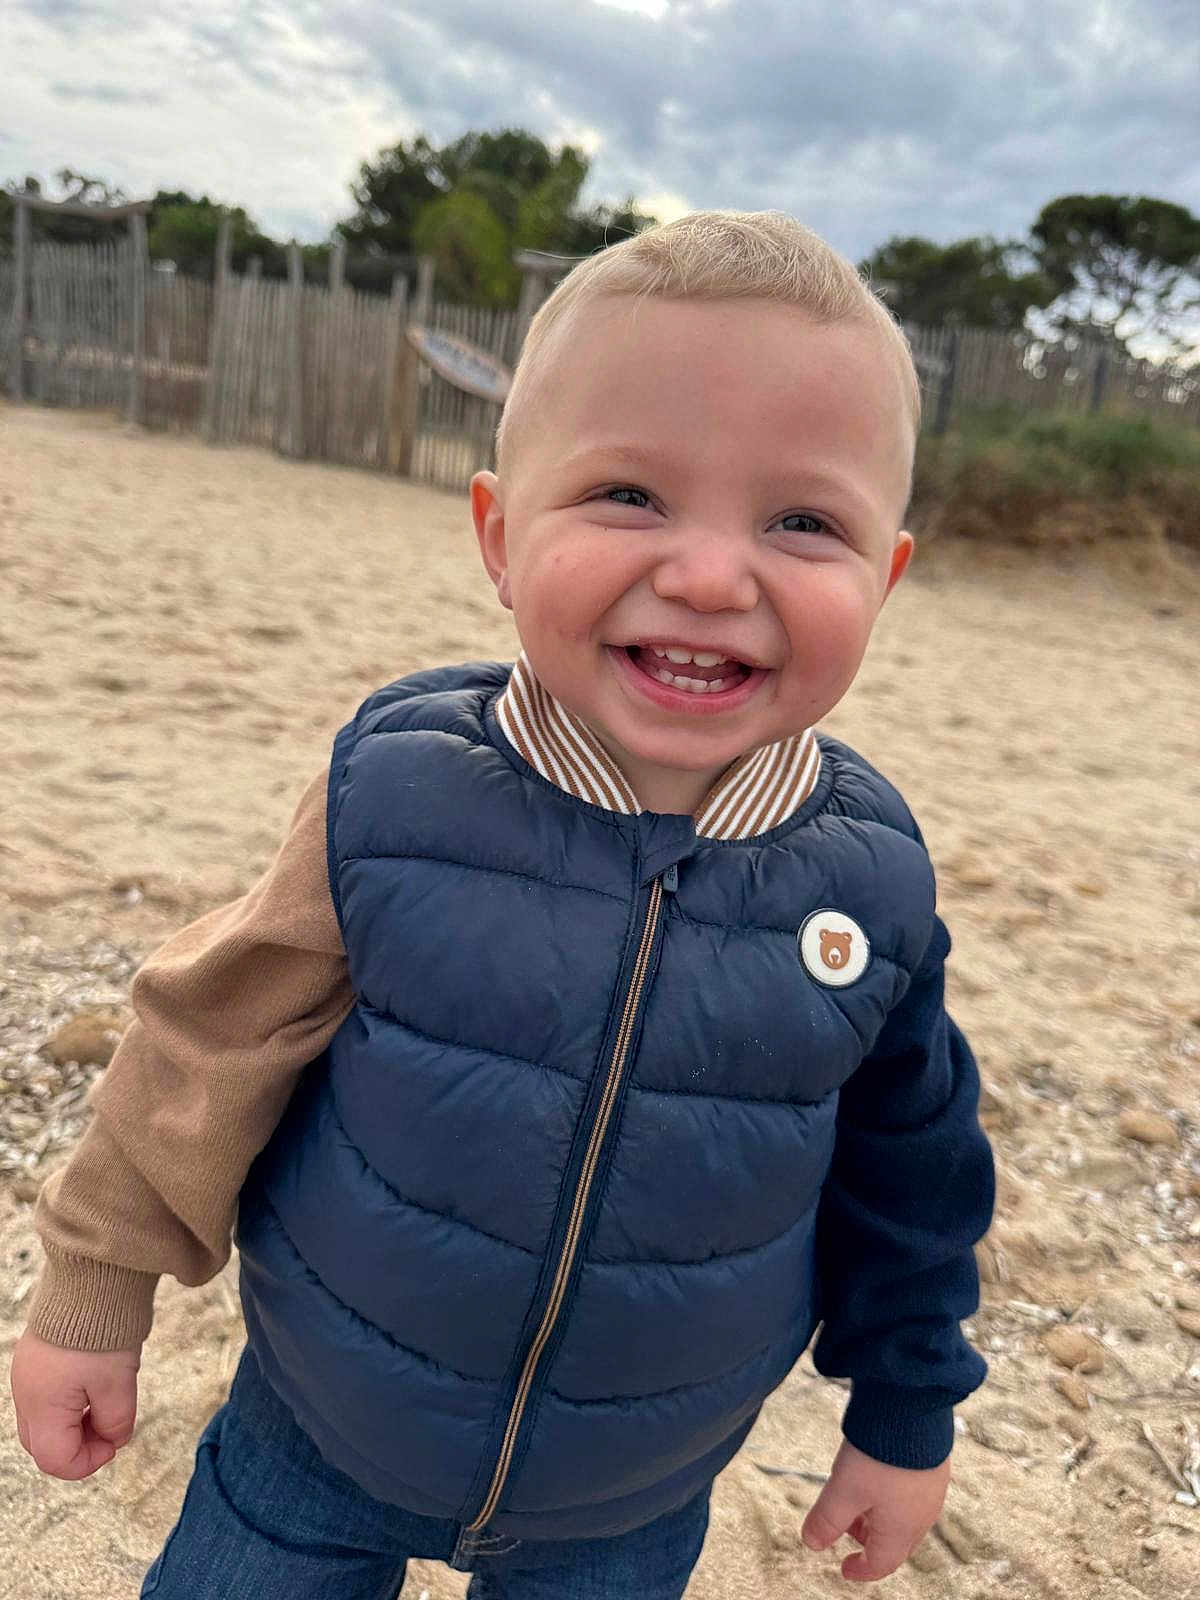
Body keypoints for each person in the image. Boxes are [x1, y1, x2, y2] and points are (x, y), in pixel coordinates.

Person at [10, 210, 995, 1599]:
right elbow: (205, 1041)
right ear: (498, 533)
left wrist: (905, 1421)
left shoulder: (870, 886)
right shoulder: (399, 795)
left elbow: (917, 1183)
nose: (712, 576)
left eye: (805, 521)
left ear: (884, 577)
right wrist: (95, 1292)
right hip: (318, 1431)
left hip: (632, 1498)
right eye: (630, 498)